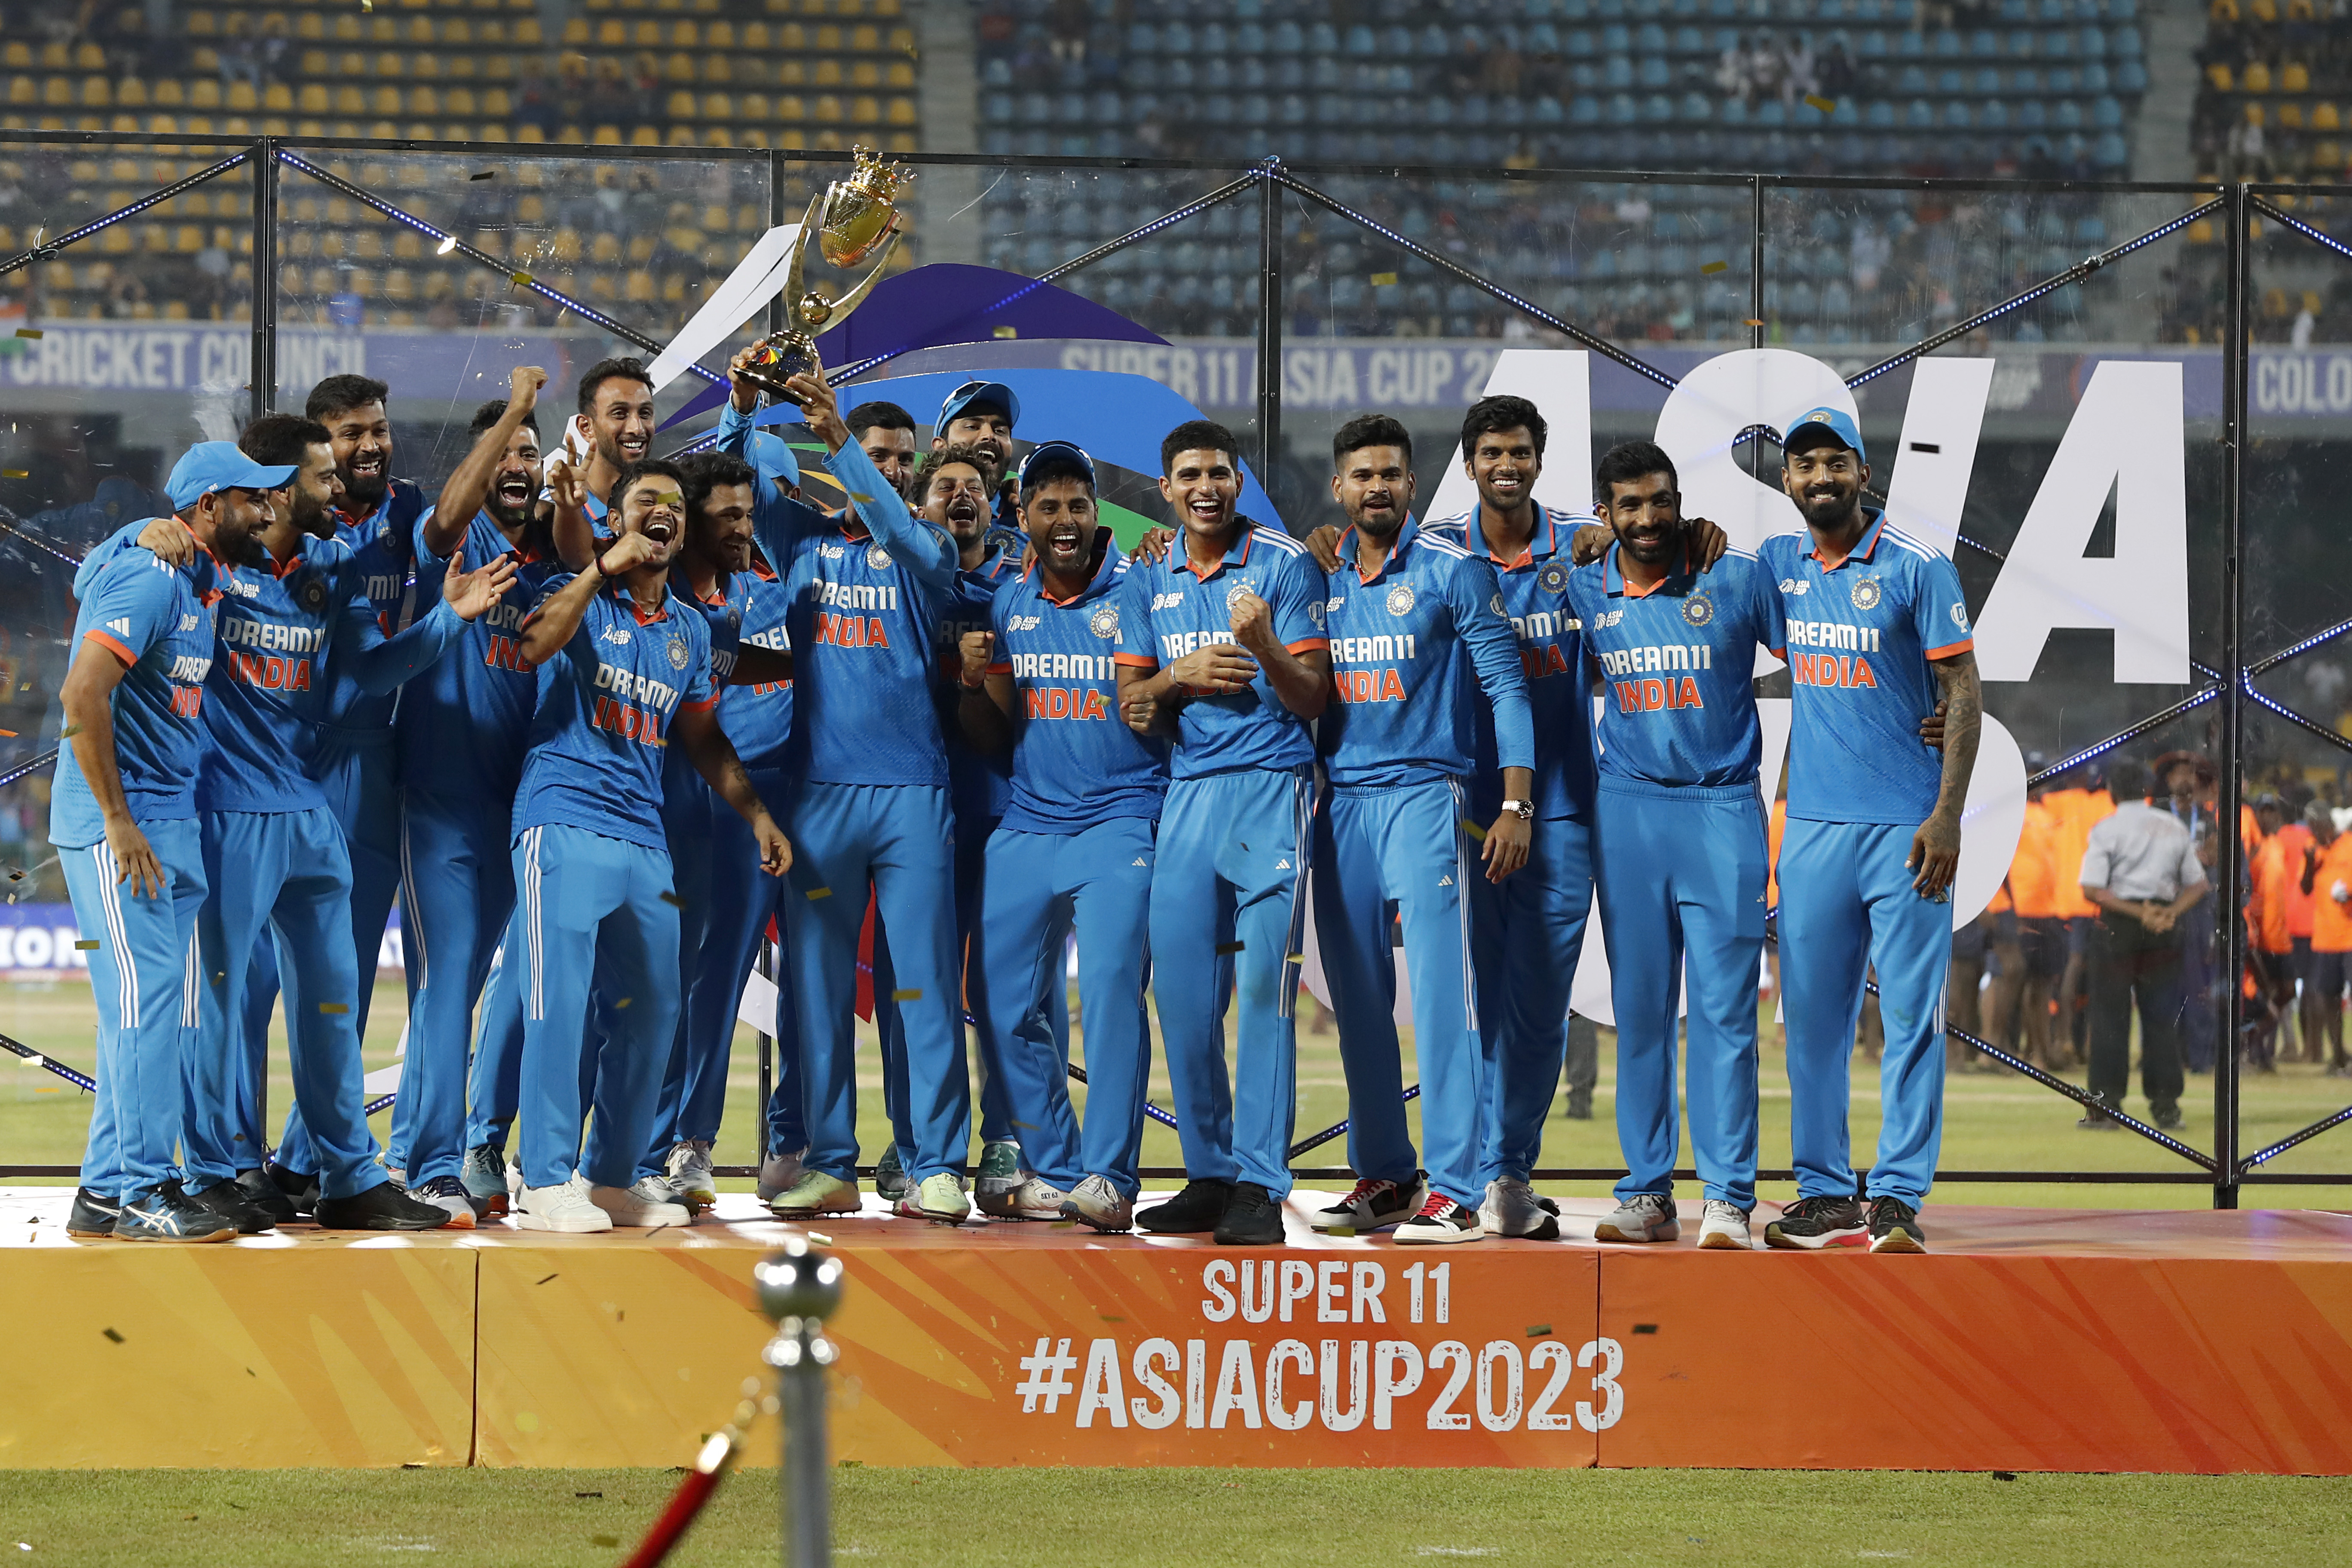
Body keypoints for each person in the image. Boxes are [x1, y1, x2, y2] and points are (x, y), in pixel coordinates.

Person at [110, 417, 514, 1233]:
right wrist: (135, 531)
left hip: (308, 807)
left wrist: (448, 620)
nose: (341, 490)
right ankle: (217, 1170)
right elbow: (116, 570)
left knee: (336, 1000)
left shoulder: (331, 564)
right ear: (273, 486)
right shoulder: (202, 558)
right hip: (224, 807)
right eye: (325, 477)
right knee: (219, 1003)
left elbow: (371, 667)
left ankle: (348, 1176)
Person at [715, 348, 978, 1226]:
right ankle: (830, 1162)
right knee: (817, 991)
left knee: (924, 988)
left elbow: (905, 535)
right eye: (883, 455)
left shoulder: (926, 547)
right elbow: (743, 474)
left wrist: (843, 445)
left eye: (907, 460)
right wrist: (744, 404)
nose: (899, 472)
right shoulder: (802, 543)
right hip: (819, 794)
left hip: (913, 796)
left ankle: (937, 1164)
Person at [504, 458, 790, 1232]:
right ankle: (544, 1179)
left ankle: (612, 1177)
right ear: (617, 520)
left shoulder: (692, 630)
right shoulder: (581, 595)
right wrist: (599, 566)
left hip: (643, 836)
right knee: (559, 1007)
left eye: (671, 504)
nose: (660, 512)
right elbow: (531, 650)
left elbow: (701, 735)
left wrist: (759, 816)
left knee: (657, 1010)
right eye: (643, 502)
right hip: (561, 820)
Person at [1303, 413, 1534, 1245]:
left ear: (1411, 483)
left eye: (1391, 474)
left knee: (1444, 999)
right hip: (1342, 806)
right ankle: (1387, 1176)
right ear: (1340, 487)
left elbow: (1506, 688)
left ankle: (1460, 1189)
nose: (1377, 488)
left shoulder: (1452, 571)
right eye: (1361, 475)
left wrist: (1514, 804)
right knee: (1357, 1000)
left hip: (1426, 797)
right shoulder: (1316, 576)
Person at [1756, 406, 1981, 1257]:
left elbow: (1963, 690)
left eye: (1835, 462)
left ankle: (1895, 1198)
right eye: (1805, 464)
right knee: (1810, 1023)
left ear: (1863, 470)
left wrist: (1948, 815)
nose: (1821, 477)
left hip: (1907, 831)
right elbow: (1686, 566)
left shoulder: (1920, 567)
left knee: (1914, 1019)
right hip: (1812, 828)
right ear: (1787, 481)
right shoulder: (1779, 564)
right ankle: (1823, 1195)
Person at [1115, 420, 1331, 1246]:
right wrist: (1179, 676)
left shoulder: (1283, 563)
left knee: (1264, 1001)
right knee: (1181, 998)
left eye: (1218, 472)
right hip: (1186, 796)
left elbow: (1312, 699)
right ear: (1166, 490)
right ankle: (1208, 1172)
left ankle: (1260, 1183)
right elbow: (1133, 706)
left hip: (1271, 791)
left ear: (1239, 481)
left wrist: (1263, 645)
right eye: (1188, 475)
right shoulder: (1148, 576)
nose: (1205, 486)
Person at [1571, 440, 1785, 1253]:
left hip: (1720, 807)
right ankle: (1648, 1192)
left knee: (1727, 1014)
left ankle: (1728, 1197)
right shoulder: (1583, 580)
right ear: (1604, 514)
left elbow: (1826, 654)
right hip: (1626, 812)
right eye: (1628, 506)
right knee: (1641, 1015)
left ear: (1679, 500)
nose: (1648, 518)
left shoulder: (1732, 574)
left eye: (1660, 501)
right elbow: (1500, 546)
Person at [53, 444, 265, 1242]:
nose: (268, 510)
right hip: (125, 827)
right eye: (253, 498)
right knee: (147, 1014)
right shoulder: (146, 575)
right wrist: (115, 817)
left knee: (151, 1017)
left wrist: (135, 532)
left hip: (170, 821)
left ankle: (107, 1191)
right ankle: (145, 1189)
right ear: (208, 505)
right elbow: (81, 691)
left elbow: (87, 573)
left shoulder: (191, 577)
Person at [954, 441, 1165, 1231]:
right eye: (1048, 506)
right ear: (1024, 517)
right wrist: (974, 681)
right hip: (1030, 821)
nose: (1065, 520)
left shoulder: (1145, 586)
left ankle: (1110, 1177)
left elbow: (1170, 701)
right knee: (998, 1001)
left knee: (1110, 994)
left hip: (1122, 818)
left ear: (1096, 512)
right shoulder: (1009, 602)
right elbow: (995, 727)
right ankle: (1062, 1165)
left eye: (1078, 504)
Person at [390, 372, 564, 1222]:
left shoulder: (543, 569)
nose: (522, 462)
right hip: (440, 804)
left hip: (514, 812)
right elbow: (452, 509)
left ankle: (419, 1156)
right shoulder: (453, 540)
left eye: (534, 451)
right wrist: (516, 415)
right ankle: (429, 1163)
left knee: (469, 989)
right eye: (509, 450)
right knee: (450, 978)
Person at [628, 447, 794, 1212]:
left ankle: (689, 1146)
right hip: (650, 800)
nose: (743, 527)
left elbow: (745, 670)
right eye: (727, 515)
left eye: (748, 513)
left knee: (718, 978)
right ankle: (621, 1145)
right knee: (643, 981)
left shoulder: (739, 597)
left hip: (725, 806)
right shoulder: (647, 588)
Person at [2077, 759, 2208, 1129]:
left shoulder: (2106, 830)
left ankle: (2106, 1109)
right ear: (2148, 791)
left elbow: (2092, 889)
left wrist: (2139, 914)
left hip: (2120, 927)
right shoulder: (2172, 827)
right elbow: (2198, 885)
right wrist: (2167, 914)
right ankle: (2166, 1108)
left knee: (2109, 1020)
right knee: (2162, 1019)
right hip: (2164, 929)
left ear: (2113, 793)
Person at [562, 357, 659, 520]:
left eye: (645, 414)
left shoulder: (667, 507)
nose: (637, 428)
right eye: (620, 414)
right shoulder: (551, 513)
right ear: (586, 428)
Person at [2301, 801, 2352, 1076]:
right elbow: (2305, 888)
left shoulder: (2350, 845)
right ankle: (2338, 1056)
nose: (2314, 832)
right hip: (2325, 936)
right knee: (2327, 998)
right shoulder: (2313, 848)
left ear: (2328, 824)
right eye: (2311, 828)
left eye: (2317, 827)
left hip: (2350, 936)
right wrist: (2310, 864)